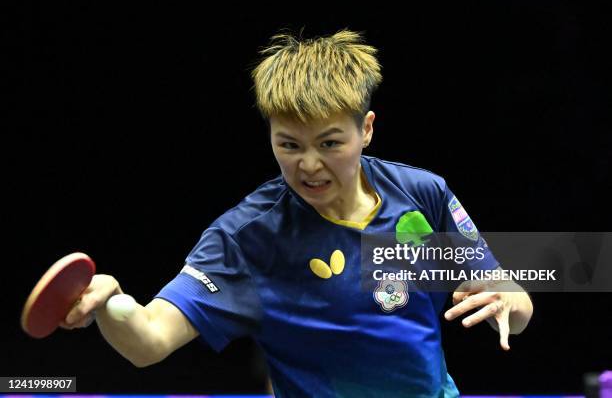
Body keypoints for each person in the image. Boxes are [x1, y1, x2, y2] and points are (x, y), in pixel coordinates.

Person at [62, 29, 533, 397]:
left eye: (330, 143)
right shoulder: (247, 237)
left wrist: (511, 300)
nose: (308, 165)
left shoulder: (424, 194)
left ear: (365, 129)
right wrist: (111, 302)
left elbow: (511, 299)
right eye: (288, 144)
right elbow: (149, 341)